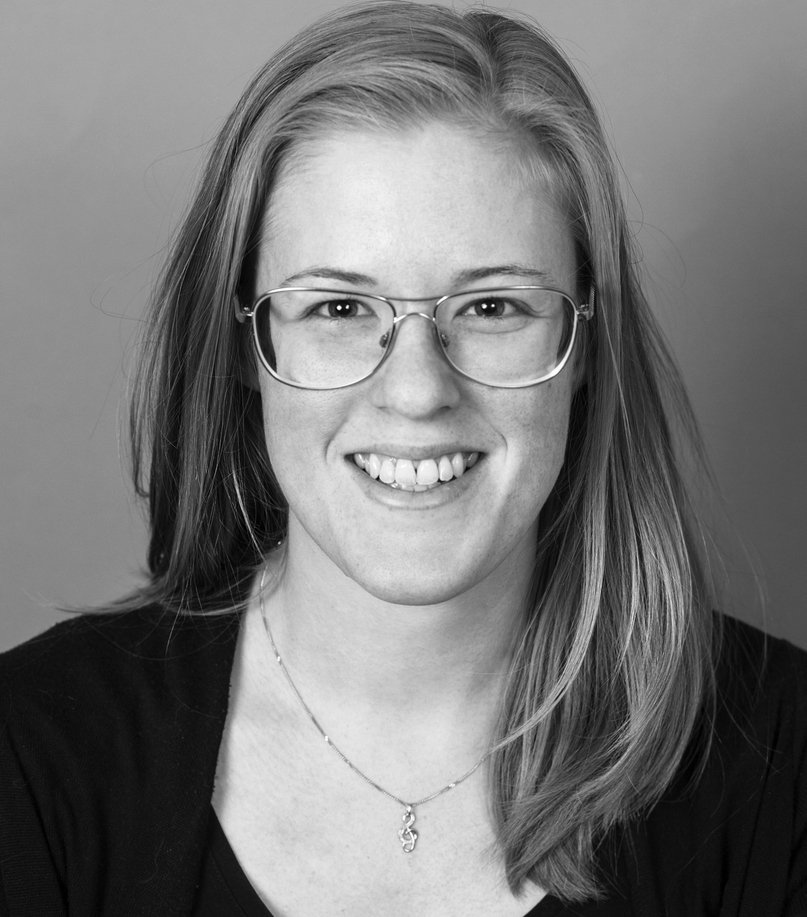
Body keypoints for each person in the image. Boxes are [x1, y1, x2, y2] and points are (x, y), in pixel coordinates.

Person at [1, 2, 805, 915]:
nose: (417, 390)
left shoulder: (784, 762)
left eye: (493, 307)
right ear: (244, 353)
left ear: (587, 344)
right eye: (339, 310)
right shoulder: (30, 754)